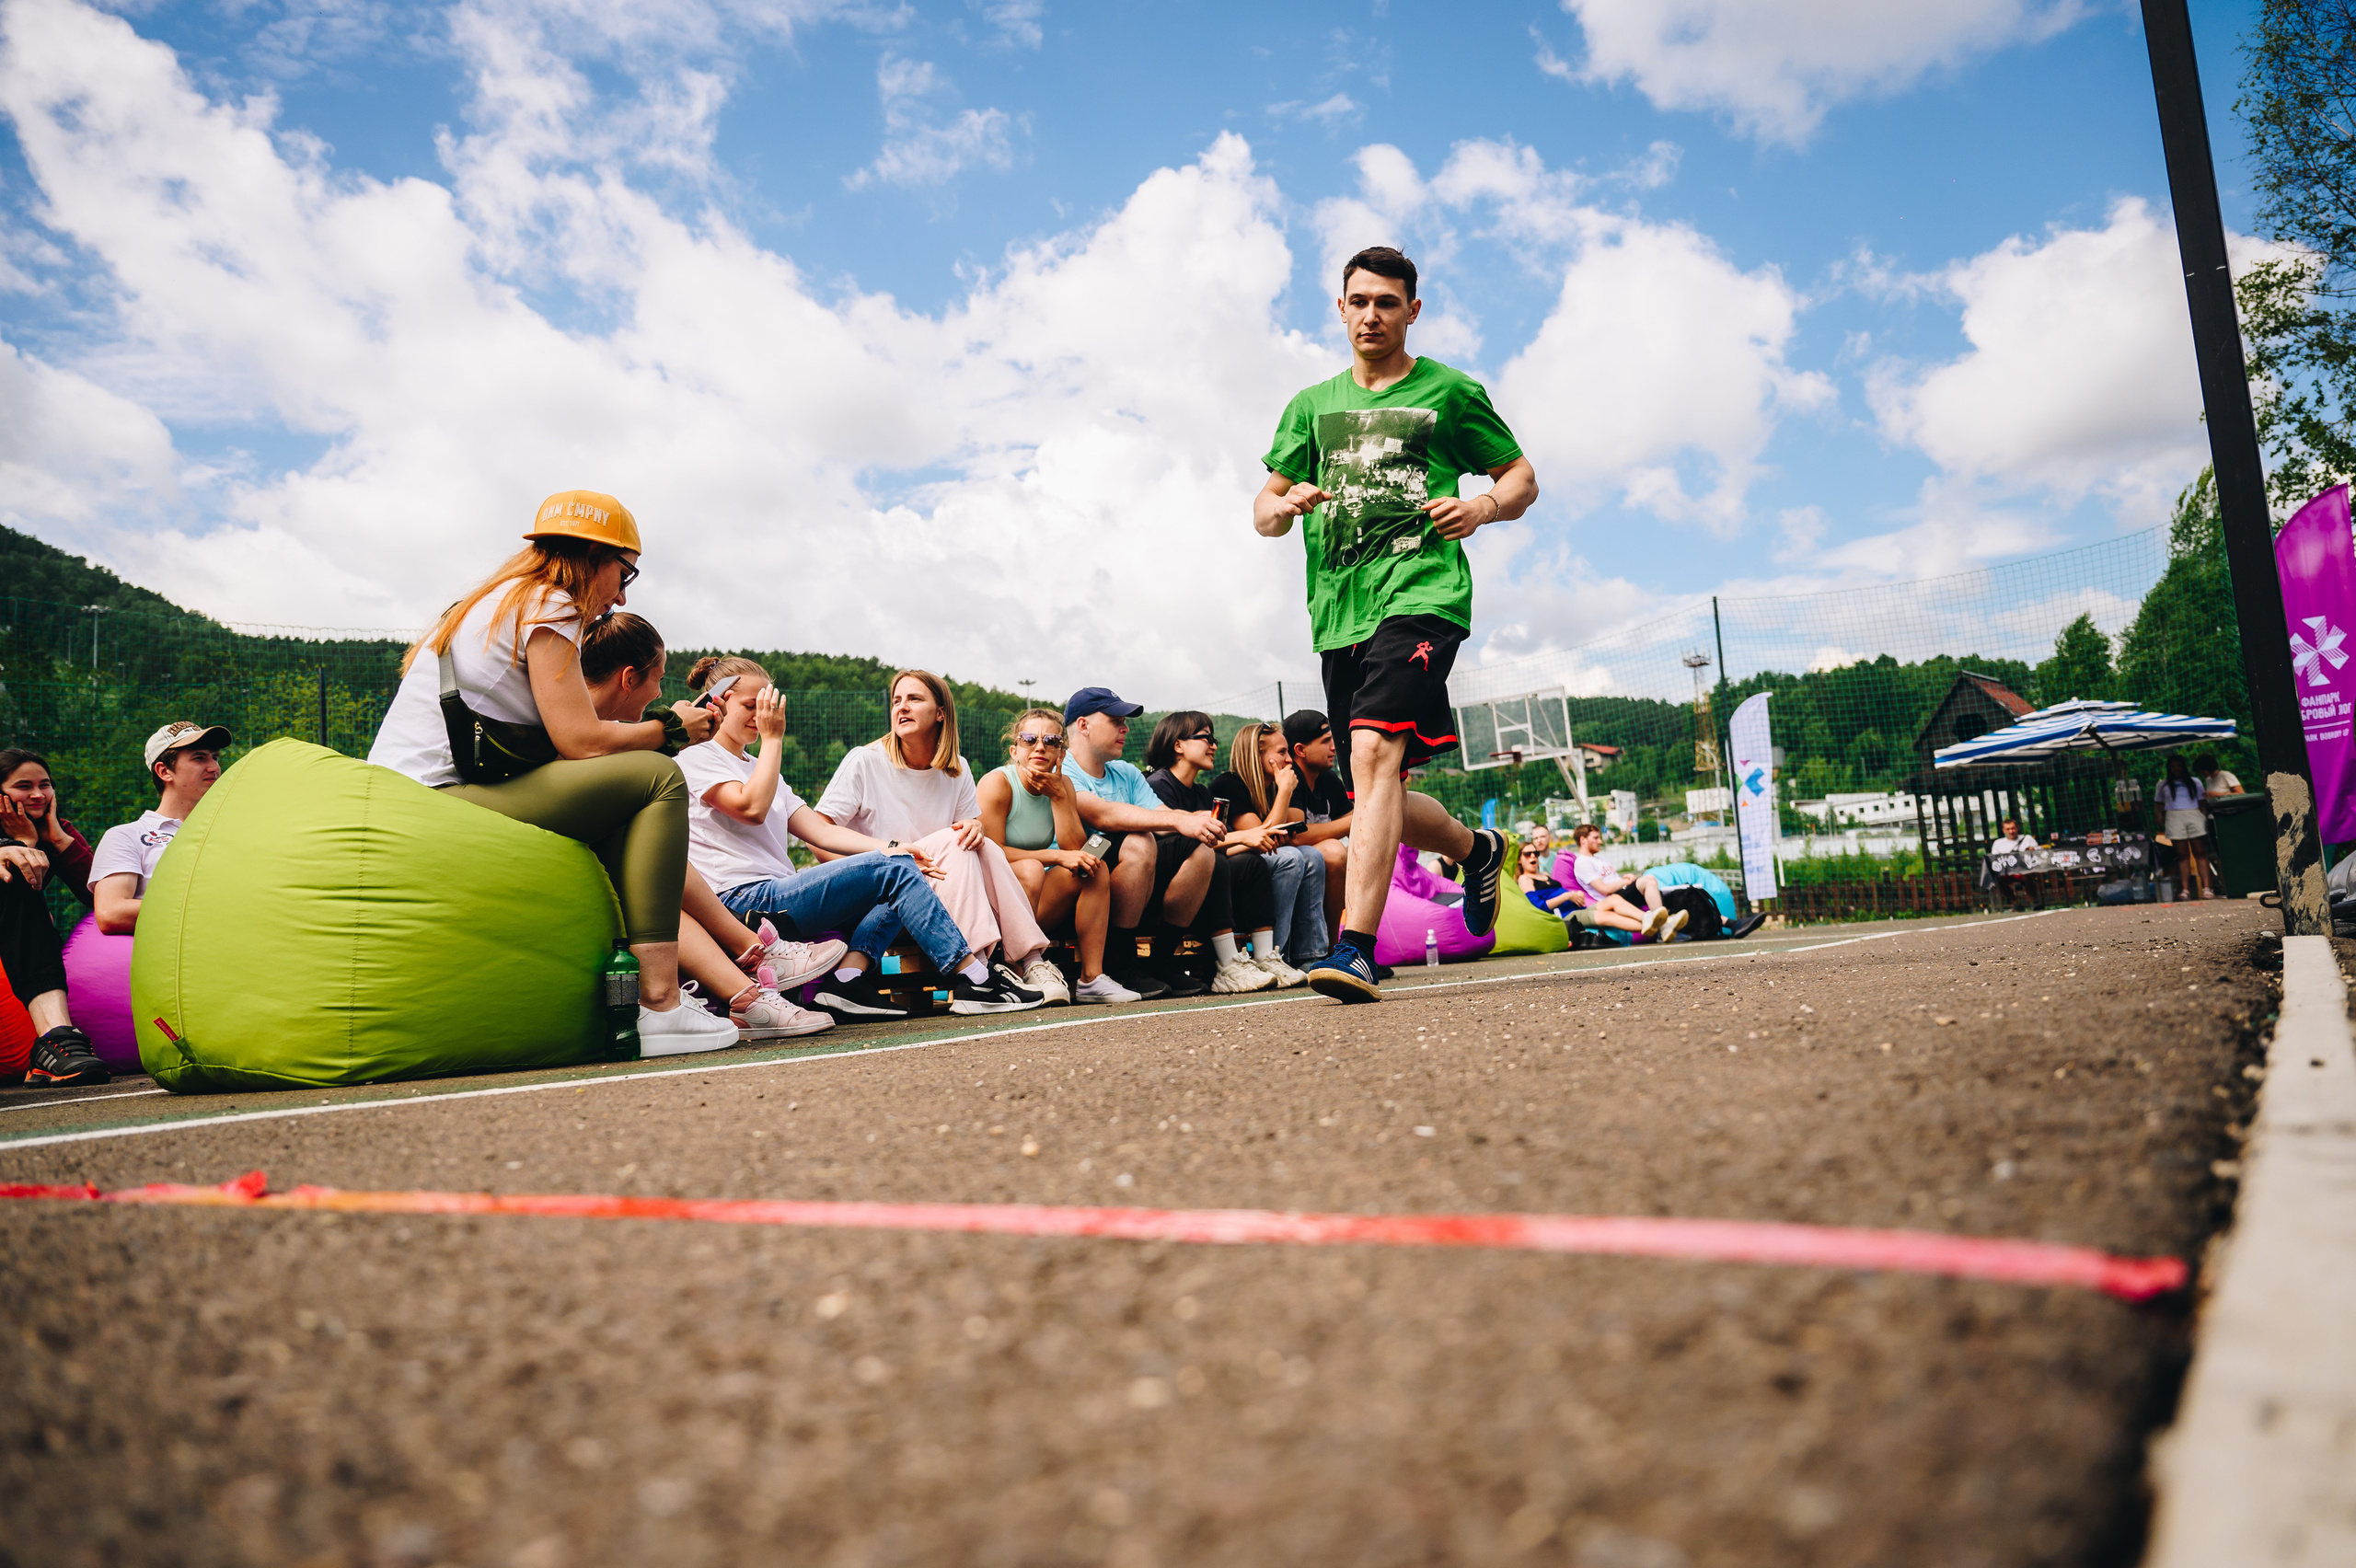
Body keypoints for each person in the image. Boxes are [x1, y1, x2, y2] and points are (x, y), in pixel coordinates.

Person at [1254, 244, 1540, 1002]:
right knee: (1371, 786)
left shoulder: (1450, 390)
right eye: (1359, 300)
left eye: (1387, 301)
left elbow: (1520, 478)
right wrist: (1282, 508)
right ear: (1340, 308)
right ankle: (1476, 849)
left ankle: (1354, 948)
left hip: (1423, 593)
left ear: (1413, 310)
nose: (1372, 313)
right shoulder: (1310, 407)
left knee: (1376, 755)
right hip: (1339, 612)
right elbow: (1263, 509)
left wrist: (1481, 505)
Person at [366, 489, 741, 1056]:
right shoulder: (553, 603)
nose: (619, 596)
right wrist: (671, 730)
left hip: (411, 793)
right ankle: (660, 1000)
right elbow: (582, 740)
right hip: (435, 799)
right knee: (658, 779)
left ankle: (648, 990)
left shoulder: (492, 601)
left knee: (623, 796)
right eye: (625, 573)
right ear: (594, 557)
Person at [679, 657, 1043, 1019]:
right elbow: (750, 808)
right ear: (717, 702)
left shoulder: (757, 766)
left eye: (766, 708)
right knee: (896, 870)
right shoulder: (697, 755)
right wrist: (774, 739)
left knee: (899, 869)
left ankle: (850, 981)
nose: (761, 717)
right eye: (750, 706)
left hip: (781, 895)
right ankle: (975, 977)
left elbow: (820, 830)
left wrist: (894, 848)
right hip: (740, 901)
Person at [580, 615, 834, 1040]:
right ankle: (753, 960)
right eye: (658, 680)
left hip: (738, 884)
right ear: (628, 678)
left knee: (655, 864)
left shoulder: (617, 729)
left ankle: (748, 994)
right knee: (655, 791)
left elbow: (817, 830)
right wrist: (668, 730)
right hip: (737, 886)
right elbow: (749, 808)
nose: (662, 692)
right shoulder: (682, 752)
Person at [813, 671, 1063, 1004]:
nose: (902, 708)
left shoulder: (956, 767)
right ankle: (986, 971)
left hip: (935, 891)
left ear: (941, 712)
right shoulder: (865, 762)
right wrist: (859, 878)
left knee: (977, 842)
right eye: (896, 701)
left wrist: (976, 826)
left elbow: (968, 845)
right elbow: (817, 834)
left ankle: (1024, 963)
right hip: (877, 888)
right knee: (949, 843)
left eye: (914, 699)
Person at [1059, 686, 1230, 998]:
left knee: (1201, 848)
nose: (1125, 728)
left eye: (1125, 721)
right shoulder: (1063, 767)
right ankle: (1118, 962)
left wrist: (1196, 821)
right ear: (1083, 725)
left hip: (1127, 876)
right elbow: (1102, 816)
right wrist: (1181, 819)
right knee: (1140, 841)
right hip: (1076, 873)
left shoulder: (1125, 772)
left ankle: (1162, 960)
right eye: (1115, 720)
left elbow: (1162, 816)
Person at [974, 709, 1139, 1005]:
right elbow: (990, 851)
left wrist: (1059, 796)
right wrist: (1054, 856)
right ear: (1015, 750)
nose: (1040, 747)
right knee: (1032, 869)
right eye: (1029, 739)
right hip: (994, 904)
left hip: (1036, 903)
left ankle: (1092, 979)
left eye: (1051, 741)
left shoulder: (1063, 786)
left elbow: (1075, 849)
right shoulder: (998, 784)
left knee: (1093, 866)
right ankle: (1015, 967)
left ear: (1061, 751)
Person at [1144, 711, 1305, 990]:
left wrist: (1247, 841)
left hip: (1198, 868)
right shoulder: (1159, 785)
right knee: (1217, 859)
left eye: (1214, 738)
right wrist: (1248, 835)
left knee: (1250, 862)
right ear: (1178, 745)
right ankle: (1227, 965)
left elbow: (1219, 841)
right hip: (1164, 882)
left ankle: (1265, 956)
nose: (1214, 745)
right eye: (1205, 737)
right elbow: (1179, 846)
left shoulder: (1202, 792)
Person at [0, 748, 106, 1086]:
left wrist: (57, 840)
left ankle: (56, 1037)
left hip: (17, 967)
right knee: (16, 872)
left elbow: (102, 897)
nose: (37, 794)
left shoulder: (55, 829)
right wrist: (18, 844)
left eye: (45, 784)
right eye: (23, 785)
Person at [90, 721, 229, 939]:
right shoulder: (126, 836)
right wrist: (212, 909)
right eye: (199, 758)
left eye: (215, 757)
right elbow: (112, 913)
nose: (214, 767)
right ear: (164, 771)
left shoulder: (232, 833)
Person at [1208, 720, 1329, 968]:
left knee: (1311, 856)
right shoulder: (1229, 784)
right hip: (1234, 868)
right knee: (1291, 858)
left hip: (1256, 864)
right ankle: (1276, 955)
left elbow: (1291, 826)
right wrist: (1285, 791)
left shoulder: (1272, 786)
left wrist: (1283, 791)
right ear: (1257, 754)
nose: (1289, 760)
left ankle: (1311, 955)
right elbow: (1261, 835)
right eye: (1282, 752)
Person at [1280, 710, 1355, 938]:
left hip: (1318, 869)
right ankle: (1333, 946)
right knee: (1333, 851)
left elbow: (1357, 827)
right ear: (1300, 750)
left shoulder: (1328, 779)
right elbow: (1297, 835)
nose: (1334, 747)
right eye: (1325, 742)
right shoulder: (1291, 777)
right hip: (1291, 866)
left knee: (1362, 853)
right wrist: (1356, 819)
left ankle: (1354, 941)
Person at [1553, 824, 1678, 939]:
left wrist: (1626, 878)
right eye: (1595, 838)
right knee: (1648, 880)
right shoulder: (1582, 863)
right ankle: (1664, 925)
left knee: (1652, 882)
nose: (1600, 841)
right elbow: (1604, 889)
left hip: (1622, 892)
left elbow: (1614, 880)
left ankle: (1666, 921)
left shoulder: (1600, 859)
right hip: (1612, 899)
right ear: (1583, 840)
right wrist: (1626, 882)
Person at [2157, 755, 2210, 899]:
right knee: (2182, 855)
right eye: (2173, 766)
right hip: (2174, 817)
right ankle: (2185, 890)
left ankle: (2207, 888)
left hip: (2193, 815)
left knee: (2199, 852)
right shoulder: (2163, 784)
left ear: (2183, 767)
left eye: (2179, 766)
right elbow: (2158, 803)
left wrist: (2202, 816)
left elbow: (2202, 801)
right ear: (2169, 768)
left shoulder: (2195, 782)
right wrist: (2159, 816)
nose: (2176, 769)